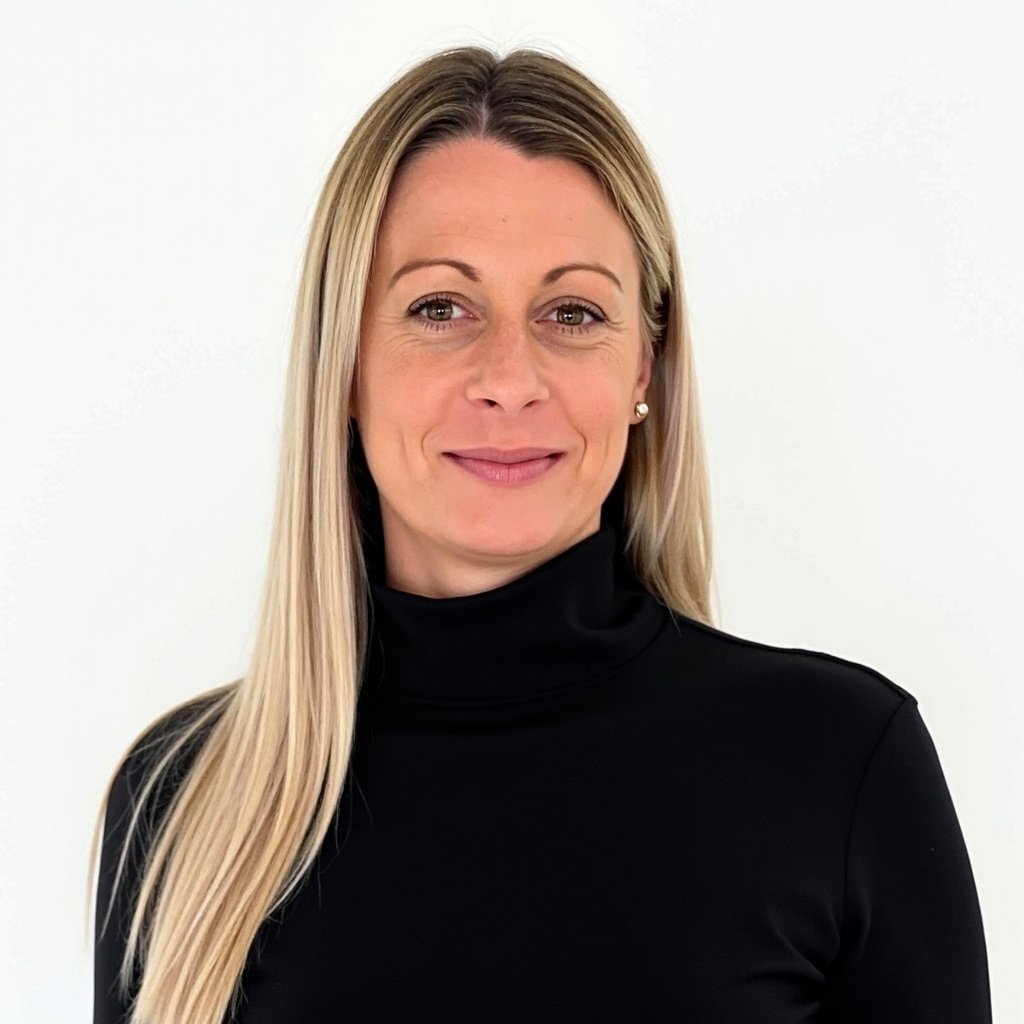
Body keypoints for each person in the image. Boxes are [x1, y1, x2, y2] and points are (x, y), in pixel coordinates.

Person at [88, 44, 992, 1024]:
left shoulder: (836, 764)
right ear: (342, 363)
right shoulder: (186, 799)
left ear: (643, 370)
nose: (510, 379)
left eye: (572, 312)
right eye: (440, 307)